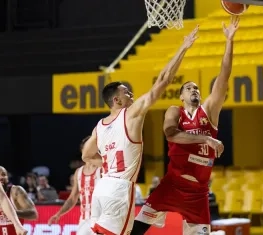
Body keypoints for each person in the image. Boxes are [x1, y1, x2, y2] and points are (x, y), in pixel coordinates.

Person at [81, 25, 200, 235]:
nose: (132, 95)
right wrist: (183, 47)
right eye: (127, 92)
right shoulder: (131, 114)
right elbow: (163, 81)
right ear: (116, 100)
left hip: (102, 188)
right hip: (119, 189)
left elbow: (86, 154)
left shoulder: (99, 125)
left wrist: (108, 163)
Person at [132, 16, 239, 235]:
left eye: (197, 88)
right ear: (181, 96)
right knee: (136, 230)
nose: (194, 90)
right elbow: (171, 135)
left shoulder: (209, 111)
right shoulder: (175, 111)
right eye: (189, 88)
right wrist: (206, 138)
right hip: (171, 185)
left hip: (198, 193)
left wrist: (229, 41)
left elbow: (224, 75)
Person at [48, 136, 102, 235]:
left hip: (101, 218)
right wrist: (58, 214)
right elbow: (72, 198)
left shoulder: (103, 169)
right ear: (82, 151)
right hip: (84, 219)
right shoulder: (79, 172)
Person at [0, 166, 38, 235]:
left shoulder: (15, 191)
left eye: (3, 174)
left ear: (8, 178)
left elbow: (34, 214)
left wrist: (12, 213)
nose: (1, 177)